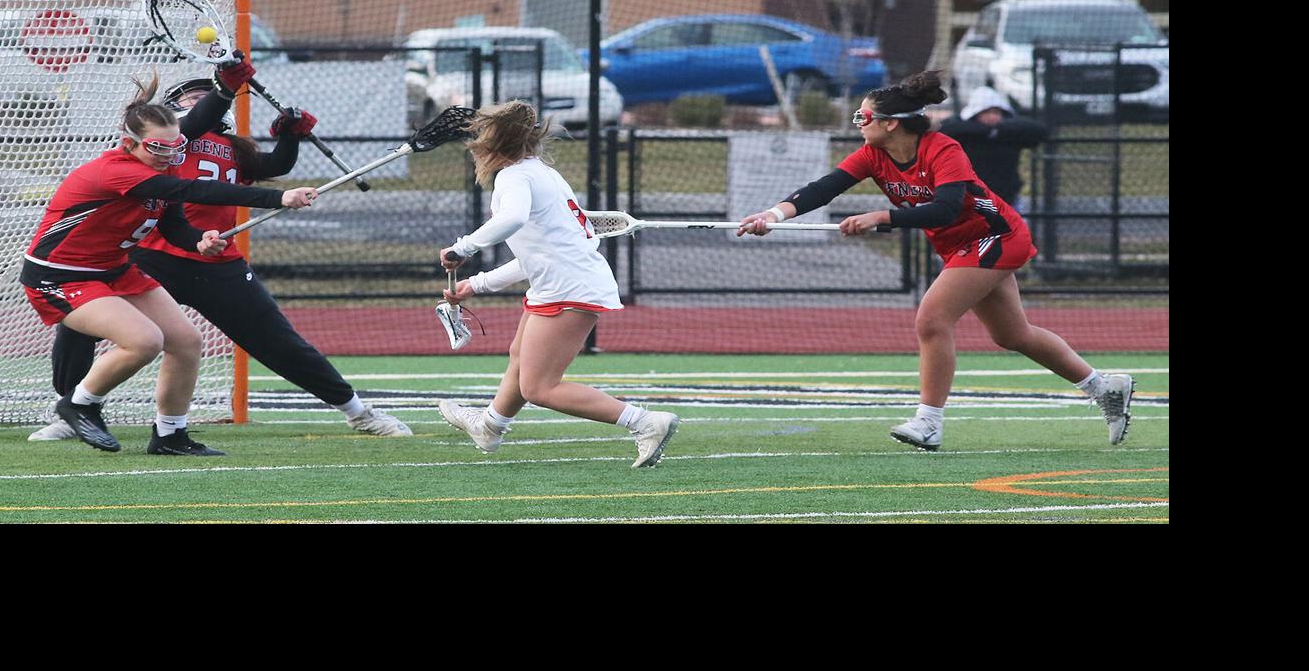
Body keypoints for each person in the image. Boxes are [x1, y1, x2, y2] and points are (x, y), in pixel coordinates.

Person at [738, 71, 1133, 451]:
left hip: (995, 236)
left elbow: (945, 209)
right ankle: (1104, 387)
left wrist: (881, 217)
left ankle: (928, 423)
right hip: (959, 245)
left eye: (863, 116)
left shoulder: (943, 149)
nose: (859, 123)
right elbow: (823, 189)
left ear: (891, 123)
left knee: (932, 319)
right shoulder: (873, 154)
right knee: (1012, 335)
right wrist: (772, 216)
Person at [29, 63, 412, 444]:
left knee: (246, 340)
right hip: (141, 260)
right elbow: (195, 184)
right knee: (102, 332)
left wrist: (289, 136)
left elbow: (256, 173)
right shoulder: (148, 154)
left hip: (208, 260)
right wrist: (224, 90)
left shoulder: (187, 151)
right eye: (190, 98)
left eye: (203, 96)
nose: (168, 151)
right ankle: (74, 408)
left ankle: (174, 434)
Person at [434, 101, 678, 468]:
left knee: (539, 388)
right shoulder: (541, 173)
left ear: (494, 143)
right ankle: (489, 426)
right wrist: (478, 284)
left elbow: (513, 218)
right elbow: (535, 253)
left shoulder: (514, 177)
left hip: (569, 287)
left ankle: (644, 422)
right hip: (562, 282)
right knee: (521, 355)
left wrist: (463, 247)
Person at [938, 86, 1048, 212]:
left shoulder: (1010, 134)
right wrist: (987, 131)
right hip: (971, 198)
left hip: (1006, 198)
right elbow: (946, 130)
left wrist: (997, 131)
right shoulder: (964, 135)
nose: (992, 117)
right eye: (986, 112)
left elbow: (1040, 131)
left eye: (996, 112)